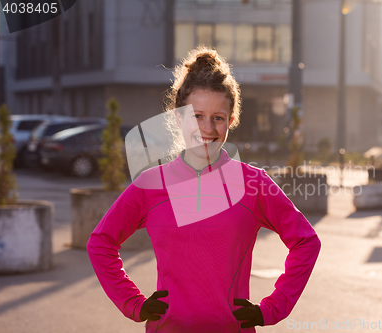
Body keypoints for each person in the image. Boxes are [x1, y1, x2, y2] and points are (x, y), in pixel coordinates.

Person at [87, 46, 321, 333]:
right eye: (196, 116)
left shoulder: (254, 184)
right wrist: (133, 304)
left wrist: (271, 309)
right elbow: (101, 243)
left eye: (217, 118)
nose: (207, 128)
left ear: (231, 121)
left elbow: (306, 242)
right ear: (177, 118)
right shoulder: (150, 185)